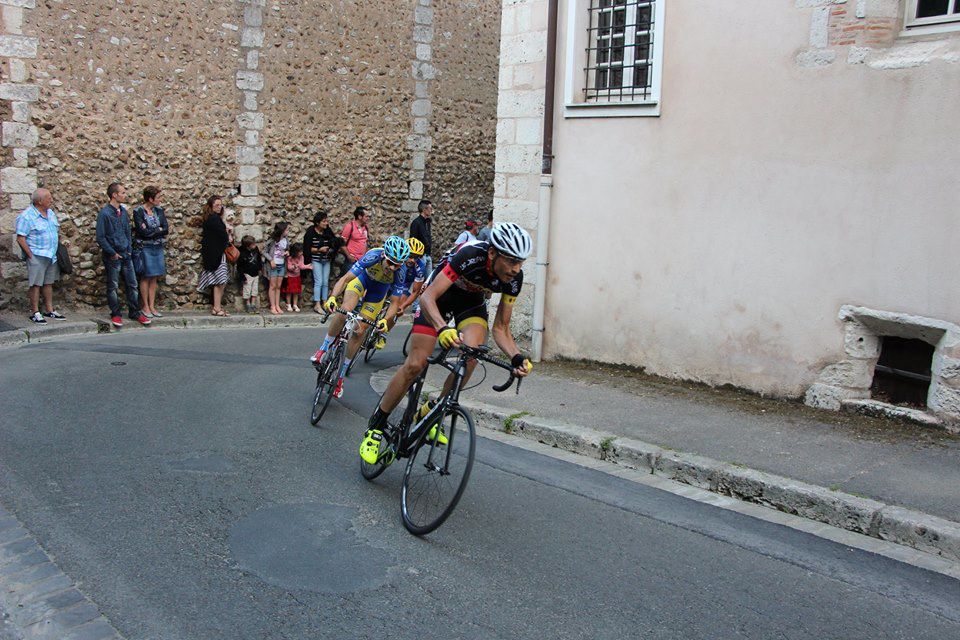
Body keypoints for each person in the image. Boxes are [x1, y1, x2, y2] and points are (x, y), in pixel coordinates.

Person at [360, 223, 534, 464]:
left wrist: (516, 357)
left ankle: (433, 409)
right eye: (511, 261)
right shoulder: (470, 256)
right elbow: (428, 296)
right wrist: (442, 328)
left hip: (470, 302)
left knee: (472, 354)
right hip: (438, 297)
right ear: (493, 253)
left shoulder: (514, 279)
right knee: (416, 364)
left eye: (521, 262)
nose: (516, 269)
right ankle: (376, 427)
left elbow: (501, 328)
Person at [309, 236, 411, 400]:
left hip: (378, 293)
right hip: (361, 281)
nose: (392, 268)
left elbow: (394, 302)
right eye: (390, 262)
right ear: (384, 255)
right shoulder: (373, 256)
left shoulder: (401, 271)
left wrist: (386, 320)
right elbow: (345, 279)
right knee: (345, 310)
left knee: (359, 330)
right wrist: (333, 297)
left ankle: (340, 376)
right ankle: (323, 349)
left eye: (397, 265)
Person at [96, 183, 150, 327]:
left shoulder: (124, 212)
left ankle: (135, 311)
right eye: (123, 192)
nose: (125, 195)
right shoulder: (105, 214)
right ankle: (116, 313)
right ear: (114, 195)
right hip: (113, 256)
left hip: (126, 255)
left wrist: (129, 250)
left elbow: (127, 231)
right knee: (113, 286)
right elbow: (100, 237)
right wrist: (112, 252)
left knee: (132, 284)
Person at [15, 188, 65, 324]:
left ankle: (49, 309)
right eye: (49, 198)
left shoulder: (50, 214)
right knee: (36, 284)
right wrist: (30, 255)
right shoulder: (27, 216)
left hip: (51, 255)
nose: (51, 200)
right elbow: (20, 237)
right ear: (40, 201)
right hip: (37, 254)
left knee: (48, 283)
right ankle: (35, 312)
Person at [375, 237, 427, 350]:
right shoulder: (398, 258)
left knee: (398, 308)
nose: (412, 260)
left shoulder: (420, 267)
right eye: (411, 256)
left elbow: (415, 291)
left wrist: (403, 307)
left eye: (416, 257)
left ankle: (384, 334)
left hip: (404, 286)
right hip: (390, 280)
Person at [132, 185, 169, 318]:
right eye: (158, 197)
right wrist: (157, 231)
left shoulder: (159, 210)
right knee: (146, 276)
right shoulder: (138, 211)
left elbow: (165, 228)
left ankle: (152, 306)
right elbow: (142, 232)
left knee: (154, 276)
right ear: (150, 198)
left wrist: (153, 231)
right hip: (145, 247)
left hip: (157, 246)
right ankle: (145, 306)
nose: (160, 199)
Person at [197, 194, 233, 317]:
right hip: (217, 254)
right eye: (216, 205)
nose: (219, 207)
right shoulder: (214, 219)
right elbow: (222, 235)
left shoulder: (210, 218)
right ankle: (217, 307)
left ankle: (216, 307)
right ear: (211, 206)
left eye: (220, 205)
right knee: (220, 281)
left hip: (213, 253)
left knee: (219, 280)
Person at [303, 210, 338, 313]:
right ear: (317, 222)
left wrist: (332, 248)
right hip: (316, 260)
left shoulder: (328, 231)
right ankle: (317, 304)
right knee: (319, 282)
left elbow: (334, 243)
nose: (326, 223)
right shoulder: (310, 232)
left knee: (325, 282)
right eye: (324, 221)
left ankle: (325, 303)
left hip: (326, 260)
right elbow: (307, 248)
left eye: (326, 221)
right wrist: (319, 249)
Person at [264, 221, 289, 315]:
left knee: (278, 286)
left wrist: (287, 253)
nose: (288, 231)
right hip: (273, 265)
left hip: (282, 264)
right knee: (272, 286)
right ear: (281, 230)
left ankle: (277, 305)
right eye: (286, 230)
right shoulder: (272, 240)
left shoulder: (286, 239)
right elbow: (264, 251)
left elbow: (287, 249)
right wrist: (271, 260)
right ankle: (272, 306)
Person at [338, 206, 370, 278]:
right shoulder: (350, 226)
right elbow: (341, 243)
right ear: (359, 216)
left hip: (362, 261)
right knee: (347, 282)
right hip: (351, 261)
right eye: (366, 216)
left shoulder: (366, 228)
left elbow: (365, 242)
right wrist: (349, 256)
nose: (368, 218)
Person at [282, 242, 311, 312]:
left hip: (297, 277)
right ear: (295, 252)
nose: (301, 253)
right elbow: (289, 267)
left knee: (296, 292)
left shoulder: (301, 257)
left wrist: (308, 266)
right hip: (290, 277)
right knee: (289, 291)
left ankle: (295, 304)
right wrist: (293, 267)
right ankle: (288, 304)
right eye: (300, 252)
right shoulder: (290, 258)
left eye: (302, 251)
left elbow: (301, 266)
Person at [237, 235, 263, 313]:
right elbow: (239, 266)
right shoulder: (241, 252)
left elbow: (259, 259)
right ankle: (248, 304)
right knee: (247, 289)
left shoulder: (256, 249)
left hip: (255, 273)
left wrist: (260, 268)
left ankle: (253, 304)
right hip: (247, 273)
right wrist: (242, 277)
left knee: (255, 289)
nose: (255, 245)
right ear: (247, 246)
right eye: (253, 244)